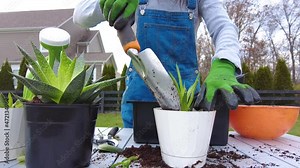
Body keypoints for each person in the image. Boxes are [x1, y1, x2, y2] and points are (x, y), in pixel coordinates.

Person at [73, 0, 261, 128]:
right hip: (140, 106)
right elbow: (80, 16)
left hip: (186, 109)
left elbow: (223, 27)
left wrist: (225, 64)